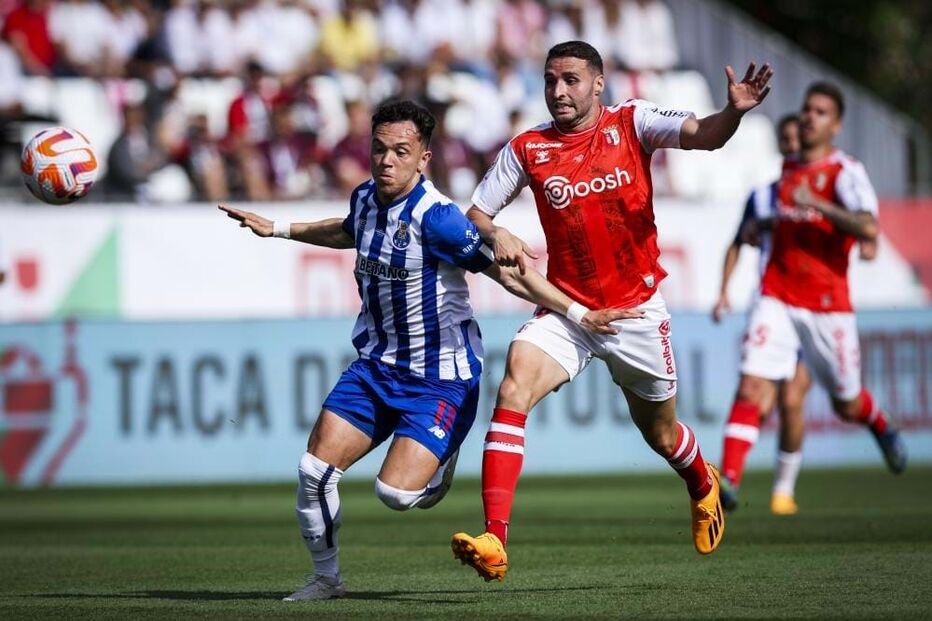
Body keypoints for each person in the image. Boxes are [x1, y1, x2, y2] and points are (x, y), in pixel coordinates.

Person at [220, 99, 637, 601]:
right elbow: (347, 229)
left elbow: (507, 274)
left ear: (423, 158)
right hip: (375, 367)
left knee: (394, 494)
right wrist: (279, 228)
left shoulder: (437, 219)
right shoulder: (366, 200)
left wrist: (576, 313)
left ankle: (443, 455)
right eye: (379, 149)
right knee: (313, 473)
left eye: (400, 151)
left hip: (441, 377)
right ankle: (326, 579)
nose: (386, 161)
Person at [450, 40, 773, 582]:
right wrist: (497, 228)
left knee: (662, 436)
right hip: (569, 310)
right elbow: (477, 213)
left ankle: (700, 482)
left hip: (636, 313)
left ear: (598, 83)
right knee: (513, 387)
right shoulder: (527, 149)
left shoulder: (634, 122)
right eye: (551, 80)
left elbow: (704, 137)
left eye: (571, 79)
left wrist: (732, 113)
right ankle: (495, 538)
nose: (558, 91)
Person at [716, 82, 907, 518]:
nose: (809, 116)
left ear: (836, 124)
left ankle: (878, 421)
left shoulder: (845, 171)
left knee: (846, 402)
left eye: (820, 111)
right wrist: (756, 230)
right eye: (806, 109)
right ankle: (726, 481)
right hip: (777, 296)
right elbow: (778, 223)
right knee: (752, 385)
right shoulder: (785, 172)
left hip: (827, 304)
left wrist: (821, 205)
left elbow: (868, 227)